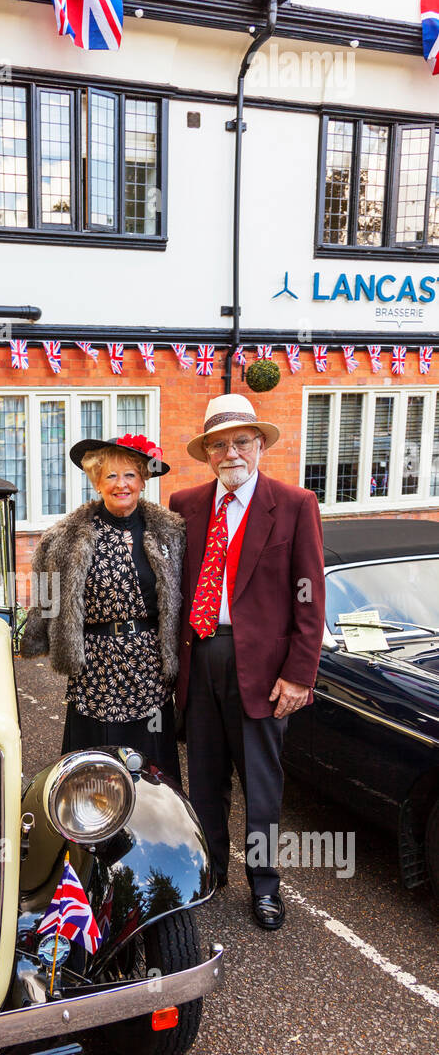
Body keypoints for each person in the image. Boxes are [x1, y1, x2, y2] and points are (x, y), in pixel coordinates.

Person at [168, 394, 325, 930]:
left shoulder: (295, 504)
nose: (230, 452)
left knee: (261, 783)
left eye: (240, 441)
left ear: (259, 445)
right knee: (205, 778)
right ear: (207, 452)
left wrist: (300, 674)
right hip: (201, 653)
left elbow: (309, 597)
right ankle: (211, 873)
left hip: (263, 666)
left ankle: (265, 885)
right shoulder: (185, 504)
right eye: (219, 444)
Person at [20, 433, 185, 781]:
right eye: (110, 475)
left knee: (151, 768)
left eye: (129, 475)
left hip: (149, 666)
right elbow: (47, 596)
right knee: (93, 770)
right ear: (97, 481)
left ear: (143, 479)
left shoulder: (171, 531)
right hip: (95, 668)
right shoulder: (64, 537)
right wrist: (35, 636)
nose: (120, 484)